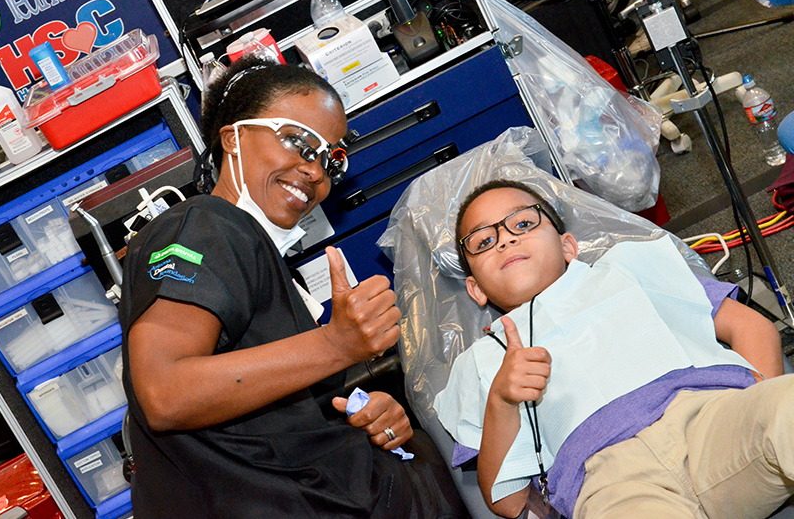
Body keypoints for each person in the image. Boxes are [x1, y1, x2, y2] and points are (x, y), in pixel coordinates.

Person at [119, 57, 467, 518]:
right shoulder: (205, 227)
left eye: (331, 159)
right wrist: (336, 344)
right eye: (298, 142)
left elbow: (269, 408)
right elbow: (165, 393)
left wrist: (365, 412)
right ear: (233, 138)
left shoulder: (250, 247)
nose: (315, 171)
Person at [433, 179, 794, 519]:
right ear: (475, 289)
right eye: (483, 242)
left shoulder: (628, 269)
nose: (505, 241)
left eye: (523, 224)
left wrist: (754, 411)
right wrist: (501, 400)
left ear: (567, 246)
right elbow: (509, 504)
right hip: (610, 480)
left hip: (714, 421)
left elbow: (751, 327)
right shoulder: (482, 362)